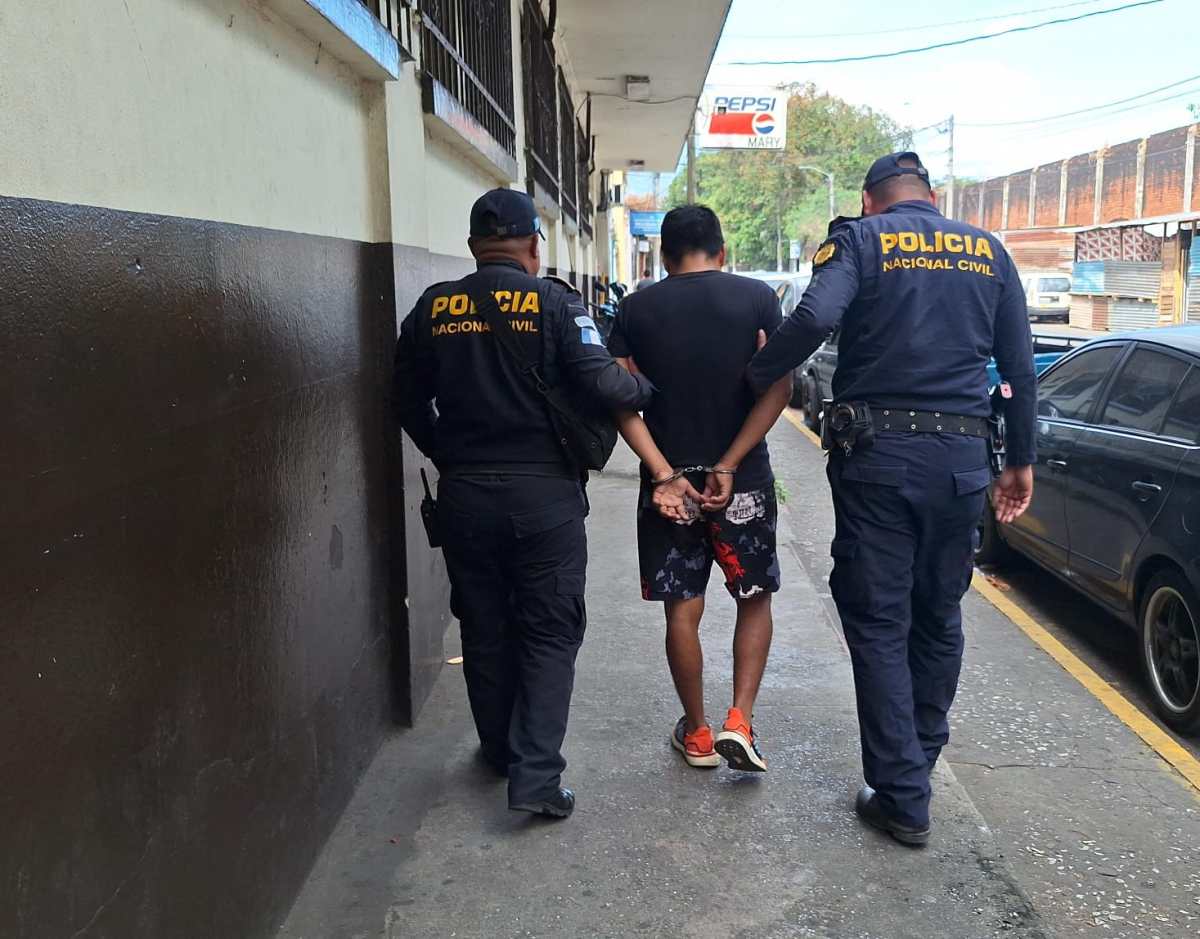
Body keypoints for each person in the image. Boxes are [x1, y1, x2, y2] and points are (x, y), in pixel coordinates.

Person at [746, 152, 1036, 845]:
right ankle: (916, 761)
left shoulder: (861, 239)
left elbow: (815, 314)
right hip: (964, 461)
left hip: (880, 459)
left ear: (870, 200)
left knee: (878, 617)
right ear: (930, 196)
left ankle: (903, 793)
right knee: (938, 613)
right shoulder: (988, 250)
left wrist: (758, 369)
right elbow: (1020, 368)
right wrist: (1021, 461)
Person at [392, 188, 653, 819]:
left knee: (483, 624)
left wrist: (448, 455)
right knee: (550, 629)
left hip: (464, 494)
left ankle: (499, 750)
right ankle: (536, 776)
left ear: (473, 246)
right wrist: (648, 385)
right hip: (544, 499)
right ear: (535, 245)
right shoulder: (554, 302)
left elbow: (404, 399)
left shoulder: (434, 306)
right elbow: (606, 383)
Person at [607, 205, 793, 773]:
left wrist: (663, 472)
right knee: (753, 600)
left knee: (682, 611)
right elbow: (780, 389)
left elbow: (620, 400)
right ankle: (741, 720)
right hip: (744, 481)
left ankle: (697, 732)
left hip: (670, 488)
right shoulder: (757, 299)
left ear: (663, 256)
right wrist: (730, 463)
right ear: (722, 250)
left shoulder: (636, 309)